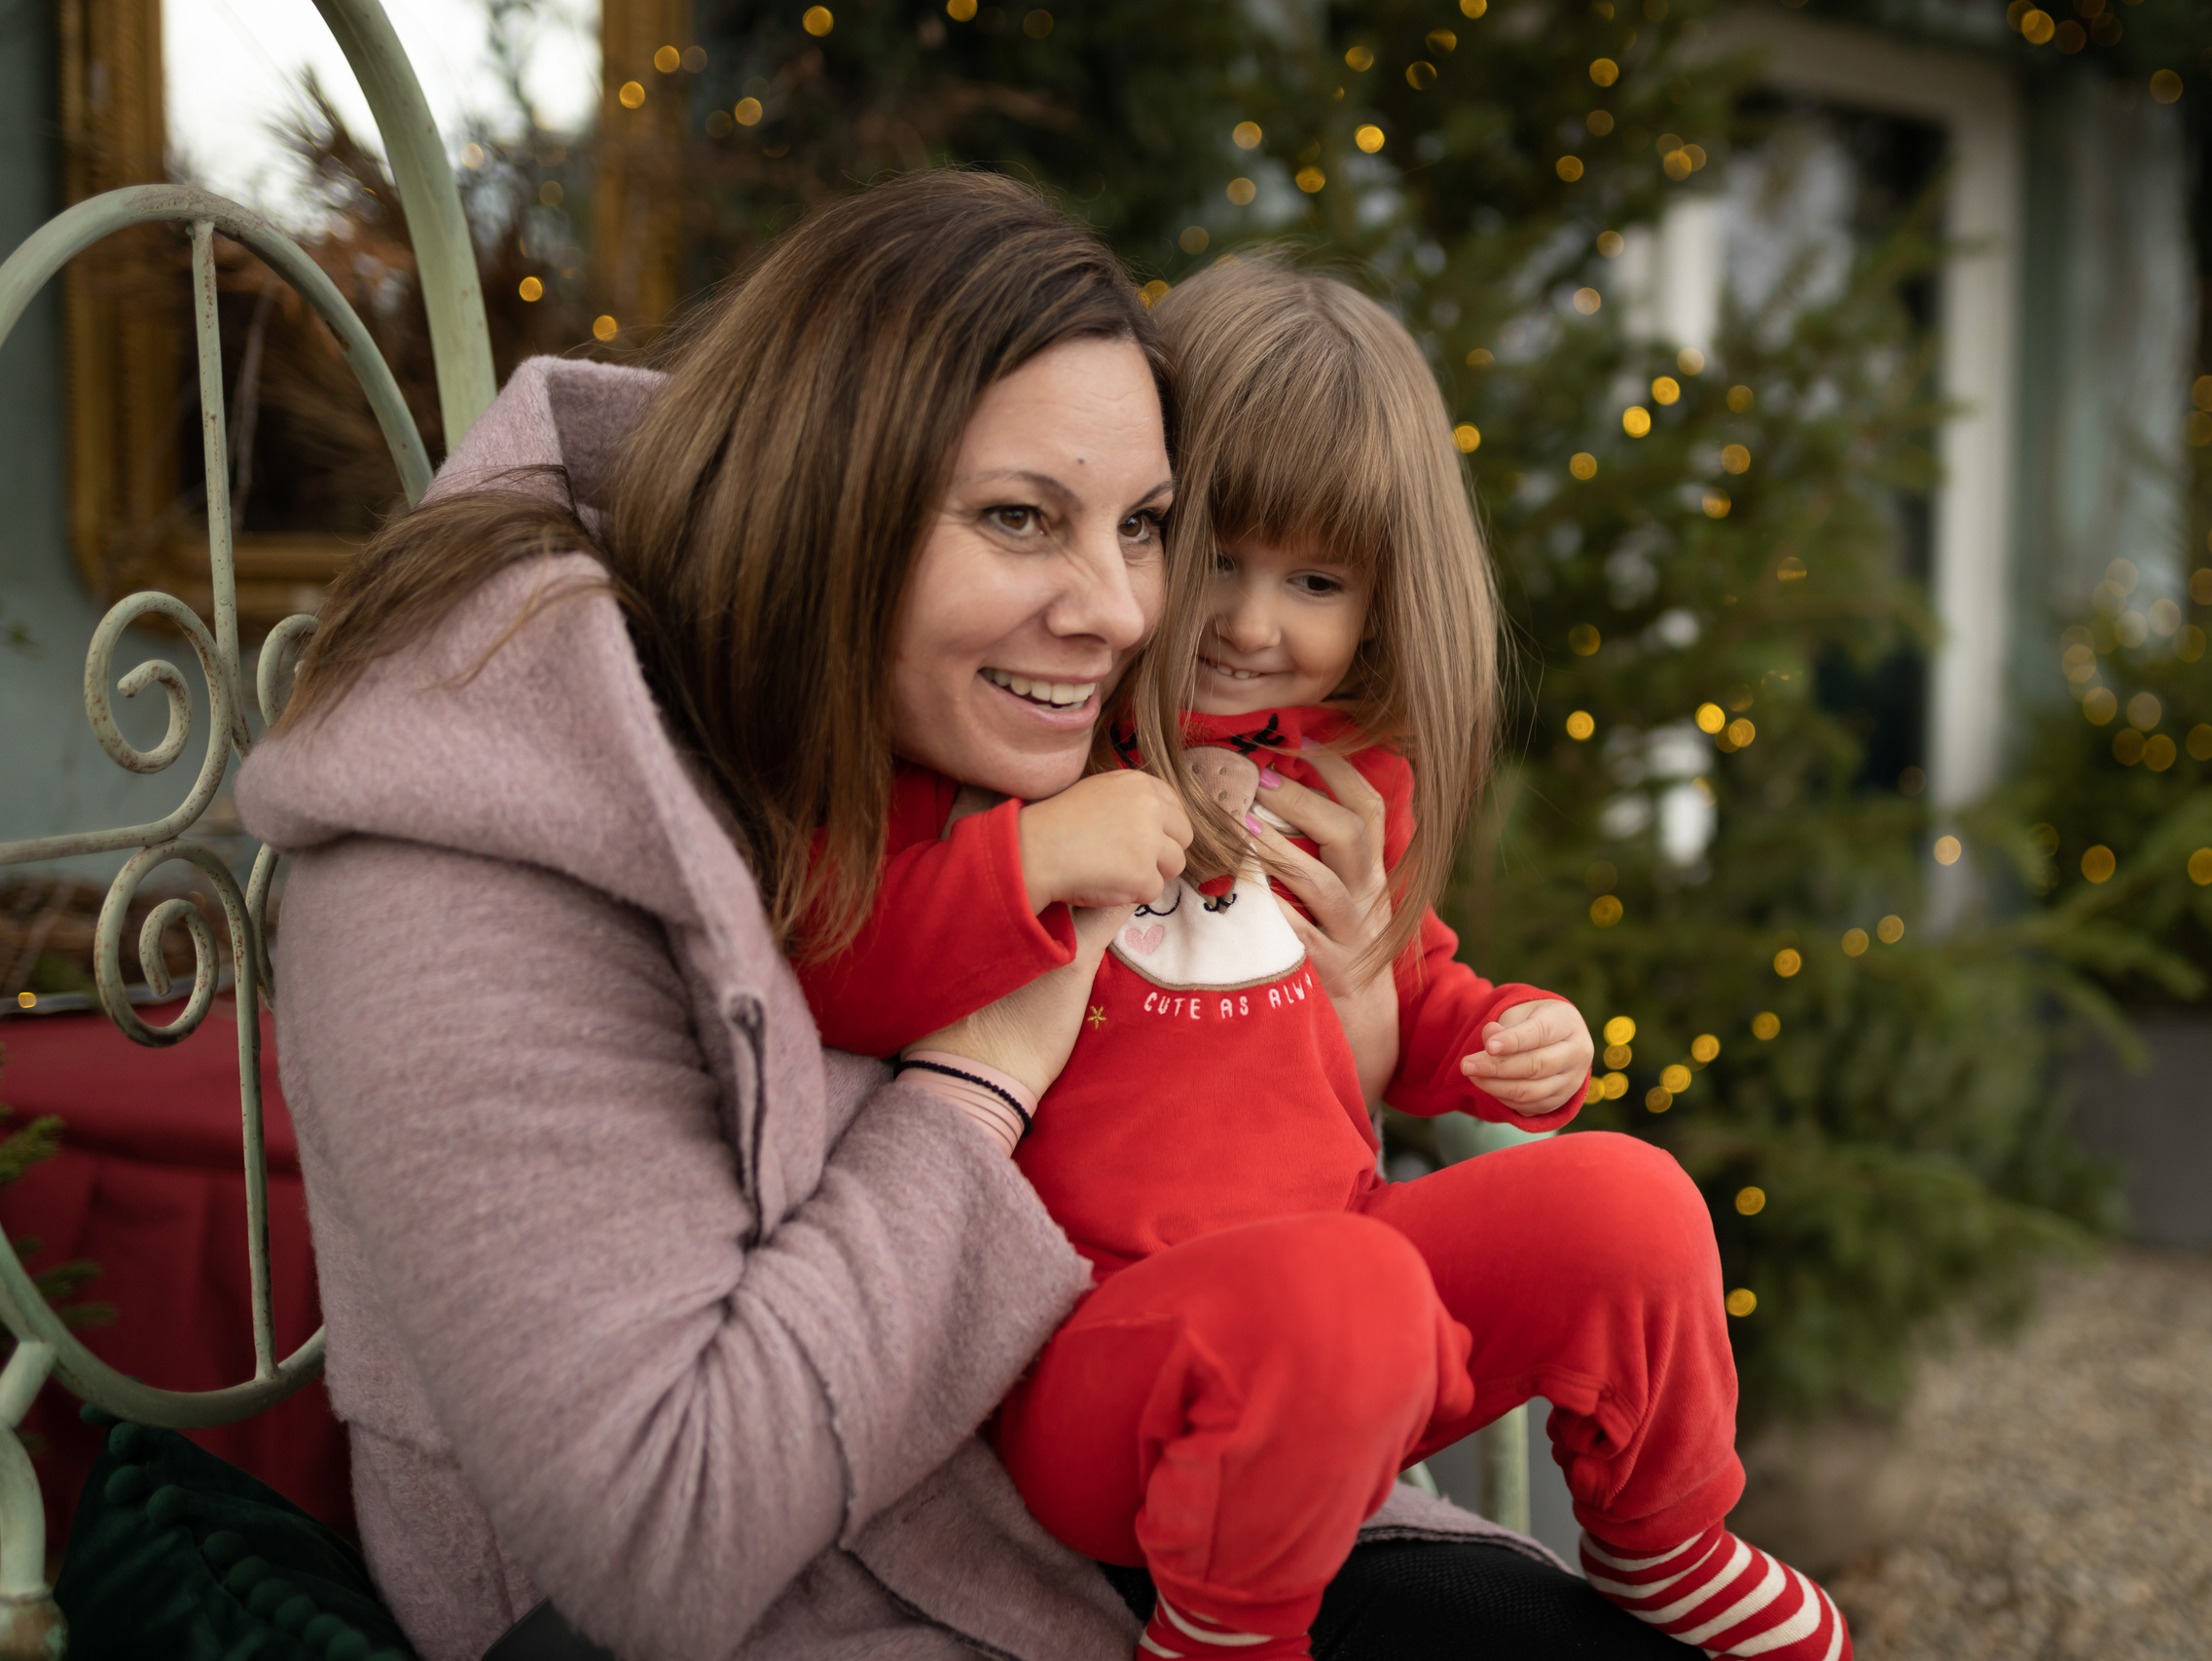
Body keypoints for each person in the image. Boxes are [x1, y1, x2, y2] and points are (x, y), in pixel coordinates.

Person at [237, 170, 1696, 1661]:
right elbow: (666, 1549)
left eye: (1144, 527)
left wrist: (1372, 1013)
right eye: (1020, 517)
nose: (1132, 616)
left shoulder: (976, 726)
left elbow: (1236, 1178)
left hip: (1155, 1509)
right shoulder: (473, 859)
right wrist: (980, 1074)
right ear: (825, 504)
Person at [790, 253, 1851, 1661]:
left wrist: (1507, 1035)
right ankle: (1229, 1633)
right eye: (1214, 553)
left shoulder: (1351, 779)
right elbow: (838, 960)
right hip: (1108, 1358)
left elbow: (1406, 995)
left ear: (1380, 598)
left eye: (1314, 579)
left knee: (1633, 1204)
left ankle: (1663, 1541)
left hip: (1359, 1322)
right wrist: (1042, 856)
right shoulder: (1029, 746)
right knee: (1341, 1300)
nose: (1249, 621)